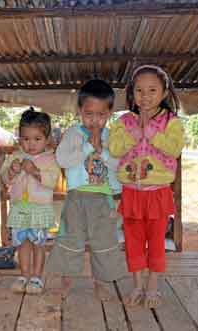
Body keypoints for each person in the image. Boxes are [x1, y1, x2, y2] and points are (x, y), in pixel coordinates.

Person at [109, 64, 185, 308]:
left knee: (156, 242)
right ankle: (138, 286)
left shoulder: (171, 122)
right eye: (139, 90)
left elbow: (174, 149)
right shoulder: (123, 122)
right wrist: (135, 132)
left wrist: (150, 131)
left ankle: (152, 287)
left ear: (164, 93)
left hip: (158, 193)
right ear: (132, 94)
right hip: (131, 193)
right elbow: (114, 149)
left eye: (152, 90)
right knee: (132, 242)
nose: (145, 96)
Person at [45, 79, 125, 301]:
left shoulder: (112, 137)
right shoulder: (73, 133)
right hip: (77, 197)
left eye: (101, 114)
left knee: (104, 241)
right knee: (71, 240)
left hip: (103, 198)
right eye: (89, 114)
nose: (95, 120)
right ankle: (66, 283)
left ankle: (102, 283)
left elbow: (120, 165)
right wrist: (89, 146)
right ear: (80, 111)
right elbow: (62, 159)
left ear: (109, 113)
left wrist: (104, 153)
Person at [1, 109, 61, 295]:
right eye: (26, 139)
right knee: (22, 244)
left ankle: (36, 277)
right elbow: (6, 179)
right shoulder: (14, 157)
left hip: (40, 209)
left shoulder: (51, 158)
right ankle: (24, 275)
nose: (31, 144)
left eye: (37, 139)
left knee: (38, 244)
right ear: (20, 139)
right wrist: (12, 171)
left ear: (47, 139)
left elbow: (53, 180)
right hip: (20, 209)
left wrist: (35, 171)